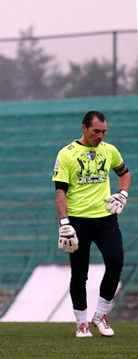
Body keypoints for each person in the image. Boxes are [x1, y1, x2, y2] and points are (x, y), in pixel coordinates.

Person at [52, 110, 130, 338]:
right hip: (77, 221)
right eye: (96, 131)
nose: (100, 136)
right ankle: (81, 322)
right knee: (79, 274)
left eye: (104, 131)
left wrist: (122, 194)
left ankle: (100, 316)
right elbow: (60, 192)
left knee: (115, 263)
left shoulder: (110, 150)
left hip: (105, 219)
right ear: (84, 128)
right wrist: (64, 223)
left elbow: (124, 173)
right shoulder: (67, 154)